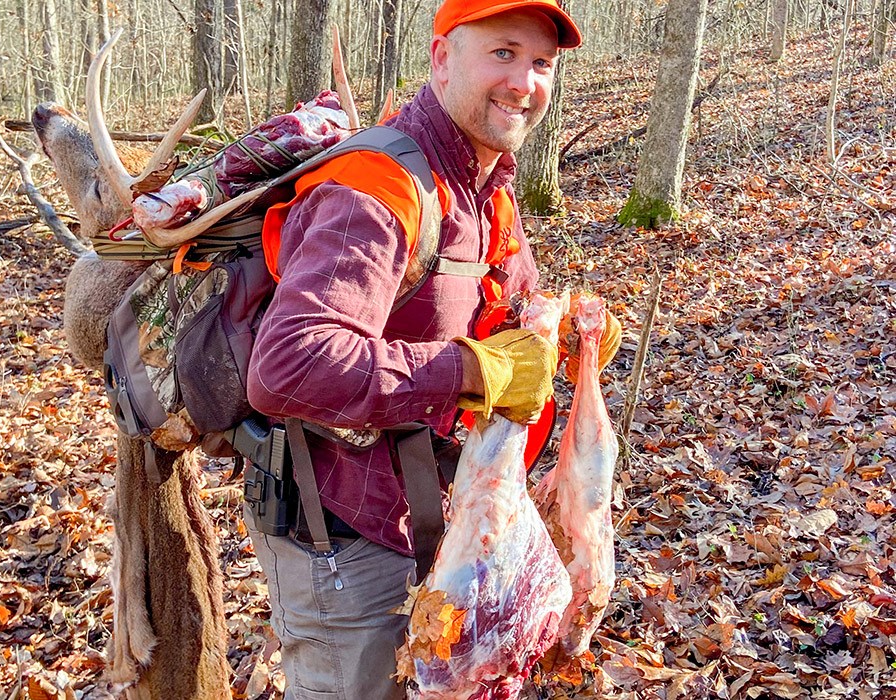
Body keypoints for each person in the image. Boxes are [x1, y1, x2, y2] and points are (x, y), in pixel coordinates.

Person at [133, 1, 620, 697]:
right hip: (343, 535)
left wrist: (569, 335)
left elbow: (510, 314)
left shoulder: (487, 184)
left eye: (541, 63)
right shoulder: (377, 187)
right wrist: (472, 370)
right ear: (442, 58)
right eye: (503, 53)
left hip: (442, 520)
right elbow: (292, 362)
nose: (525, 81)